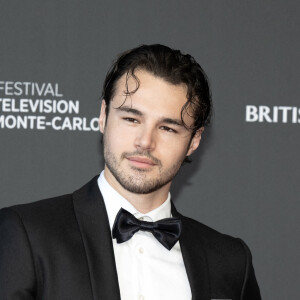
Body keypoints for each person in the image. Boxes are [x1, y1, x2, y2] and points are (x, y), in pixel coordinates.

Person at [0, 44, 261, 300]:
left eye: (168, 128)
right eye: (131, 119)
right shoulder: (27, 236)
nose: (145, 141)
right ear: (103, 116)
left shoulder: (231, 261)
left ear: (194, 141)